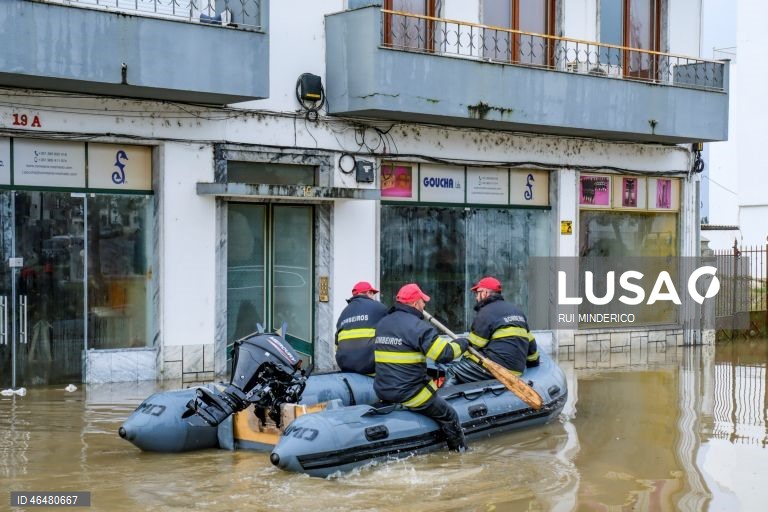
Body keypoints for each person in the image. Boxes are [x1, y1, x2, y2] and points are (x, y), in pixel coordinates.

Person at [373, 283, 469, 452]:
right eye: (423, 302)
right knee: (450, 415)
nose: (425, 306)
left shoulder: (383, 323)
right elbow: (444, 354)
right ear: (416, 303)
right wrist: (462, 343)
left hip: (384, 391)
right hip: (409, 393)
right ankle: (460, 455)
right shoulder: (419, 327)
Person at [447, 276, 539, 384]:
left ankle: (445, 400)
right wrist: (533, 363)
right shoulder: (517, 311)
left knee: (453, 371)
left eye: (477, 293)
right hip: (517, 371)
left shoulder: (485, 313)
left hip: (496, 369)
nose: (476, 297)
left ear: (485, 293)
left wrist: (462, 362)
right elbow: (531, 345)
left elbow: (473, 347)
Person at [335, 281, 389, 375]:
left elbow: (336, 343)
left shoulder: (343, 313)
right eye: (372, 294)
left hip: (345, 366)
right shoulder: (379, 307)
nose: (373, 297)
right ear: (369, 293)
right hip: (370, 367)